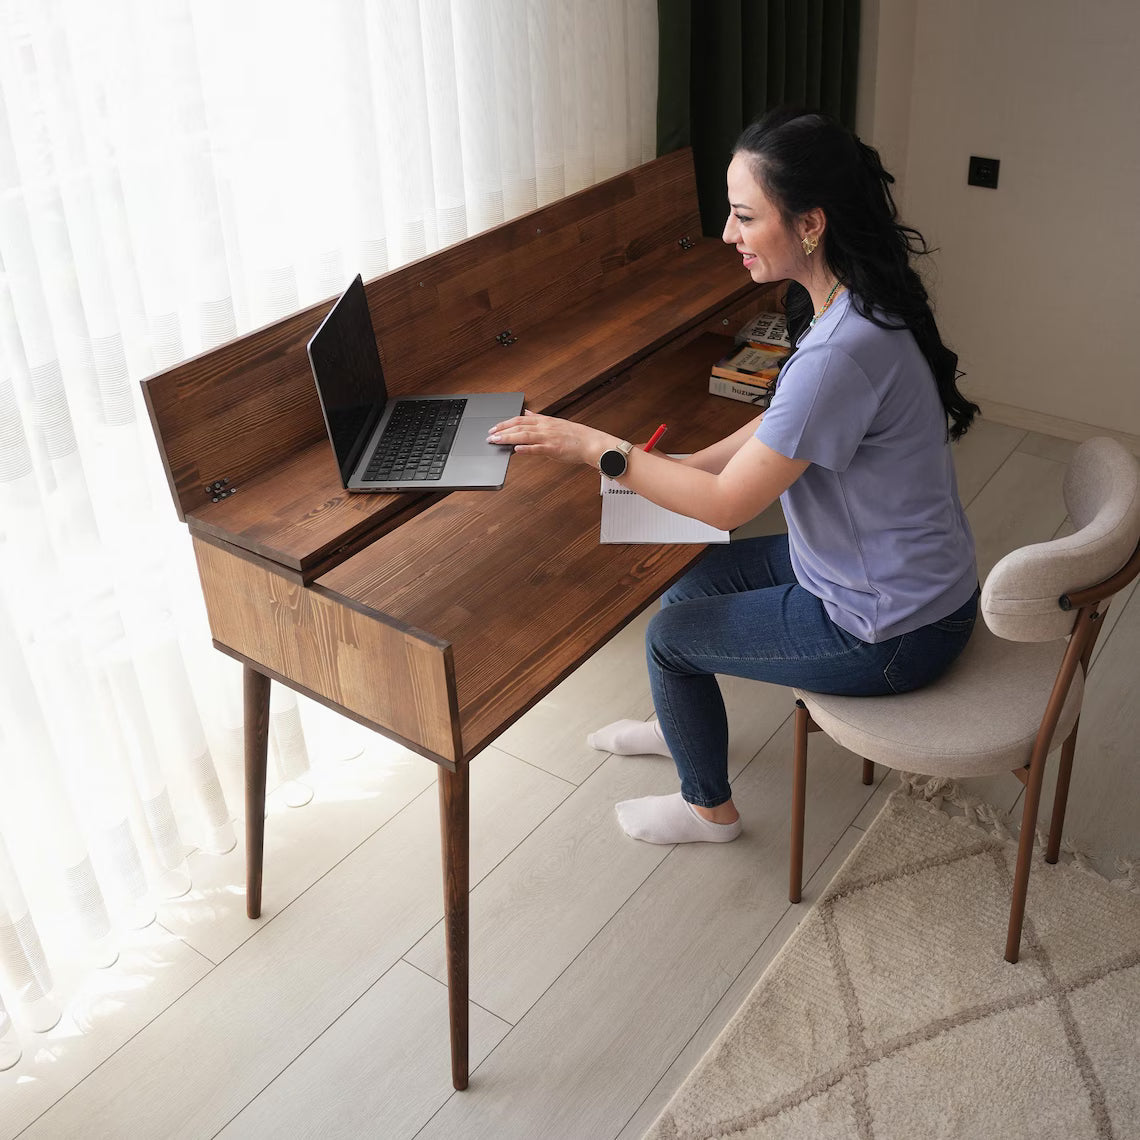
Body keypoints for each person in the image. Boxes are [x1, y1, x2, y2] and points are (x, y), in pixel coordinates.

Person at [486, 107, 980, 846]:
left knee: (669, 636)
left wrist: (597, 448)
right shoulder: (856, 306)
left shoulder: (839, 353)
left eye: (744, 216)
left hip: (892, 627)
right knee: (691, 582)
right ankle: (681, 721)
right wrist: (683, 462)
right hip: (894, 576)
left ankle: (707, 811)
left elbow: (729, 502)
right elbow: (780, 424)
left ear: (810, 224)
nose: (727, 234)